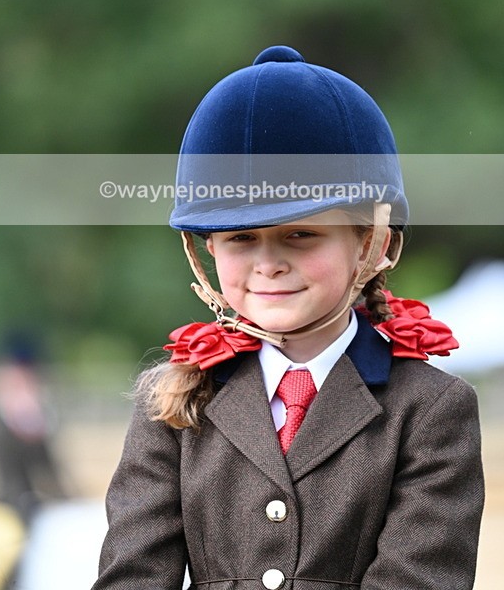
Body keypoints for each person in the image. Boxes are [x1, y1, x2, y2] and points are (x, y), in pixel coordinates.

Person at [93, 46, 484, 590]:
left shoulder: (431, 409)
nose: (269, 264)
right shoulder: (168, 403)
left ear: (373, 242)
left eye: (301, 234)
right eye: (240, 238)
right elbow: (132, 578)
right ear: (205, 251)